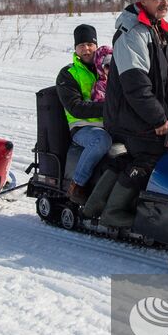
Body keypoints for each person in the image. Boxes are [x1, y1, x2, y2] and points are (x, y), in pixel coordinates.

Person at [85, 0, 168, 227]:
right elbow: (135, 85)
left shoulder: (161, 29)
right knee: (153, 155)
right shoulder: (133, 32)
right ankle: (113, 212)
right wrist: (158, 119)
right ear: (143, 1)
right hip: (128, 116)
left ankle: (98, 204)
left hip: (146, 113)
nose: (164, 3)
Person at [55, 24, 113, 203]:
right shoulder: (68, 73)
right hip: (83, 127)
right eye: (81, 45)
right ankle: (77, 185)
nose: (86, 49)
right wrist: (109, 108)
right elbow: (75, 107)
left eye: (90, 44)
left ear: (96, 45)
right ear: (75, 49)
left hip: (111, 123)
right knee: (101, 140)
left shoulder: (106, 67)